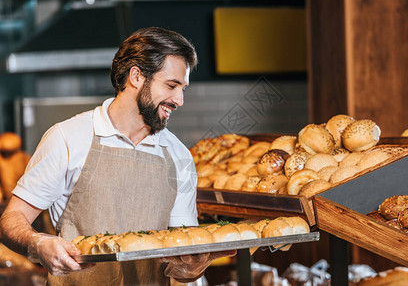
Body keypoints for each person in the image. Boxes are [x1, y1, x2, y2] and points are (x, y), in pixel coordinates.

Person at [0, 27, 235, 285]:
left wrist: (192, 269)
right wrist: (38, 243)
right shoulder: (68, 138)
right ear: (136, 76)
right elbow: (12, 219)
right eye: (171, 85)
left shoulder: (178, 156)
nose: (179, 99)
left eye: (183, 89)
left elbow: (180, 254)